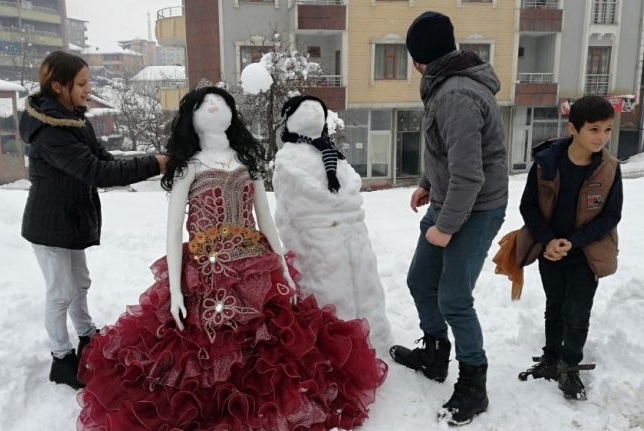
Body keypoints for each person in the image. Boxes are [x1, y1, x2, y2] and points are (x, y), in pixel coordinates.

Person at [76, 86, 387, 430]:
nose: (213, 107)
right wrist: (177, 292)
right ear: (190, 118)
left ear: (232, 113)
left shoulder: (246, 163)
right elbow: (173, 228)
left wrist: (282, 265)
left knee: (272, 344)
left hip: (255, 266)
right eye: (204, 104)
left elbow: (265, 219)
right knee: (203, 352)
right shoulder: (187, 167)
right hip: (204, 271)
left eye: (221, 102)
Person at [19, 50, 167, 390]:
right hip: (49, 222)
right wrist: (154, 164)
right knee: (60, 292)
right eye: (82, 83)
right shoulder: (51, 130)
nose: (88, 89)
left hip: (69, 220)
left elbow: (105, 159)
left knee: (80, 283)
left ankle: (86, 336)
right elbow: (95, 171)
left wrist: (152, 160)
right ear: (58, 86)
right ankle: (61, 358)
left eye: (89, 82)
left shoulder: (74, 120)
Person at [388, 11, 509, 426]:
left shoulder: (455, 95)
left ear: (418, 60)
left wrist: (445, 227)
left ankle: (474, 383)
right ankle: (436, 354)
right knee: (421, 282)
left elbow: (470, 175)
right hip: (451, 198)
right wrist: (427, 182)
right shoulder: (446, 85)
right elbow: (448, 153)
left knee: (454, 298)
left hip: (477, 207)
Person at [517, 95, 622, 400]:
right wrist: (548, 240)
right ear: (573, 129)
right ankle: (551, 359)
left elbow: (612, 215)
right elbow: (529, 207)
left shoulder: (610, 169)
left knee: (577, 313)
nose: (601, 137)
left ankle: (570, 367)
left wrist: (573, 242)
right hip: (549, 250)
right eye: (594, 129)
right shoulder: (546, 163)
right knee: (555, 308)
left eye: (608, 129)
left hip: (585, 253)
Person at [272, 95, 394, 352]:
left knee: (364, 284)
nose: (315, 113)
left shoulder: (332, 152)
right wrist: (334, 206)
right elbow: (293, 200)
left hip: (352, 234)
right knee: (329, 290)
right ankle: (335, 345)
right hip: (317, 238)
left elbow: (351, 184)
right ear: (291, 119)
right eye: (307, 109)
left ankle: (374, 337)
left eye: (319, 110)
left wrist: (343, 205)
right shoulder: (288, 158)